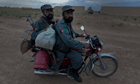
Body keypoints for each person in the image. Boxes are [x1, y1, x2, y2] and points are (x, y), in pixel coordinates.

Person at [53, 5, 90, 82]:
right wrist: (83, 45)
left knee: (79, 51)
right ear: (63, 14)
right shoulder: (61, 25)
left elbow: (71, 33)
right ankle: (73, 72)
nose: (70, 15)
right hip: (62, 48)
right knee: (79, 58)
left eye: (71, 13)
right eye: (68, 13)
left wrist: (80, 35)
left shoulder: (67, 22)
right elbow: (69, 41)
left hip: (65, 45)